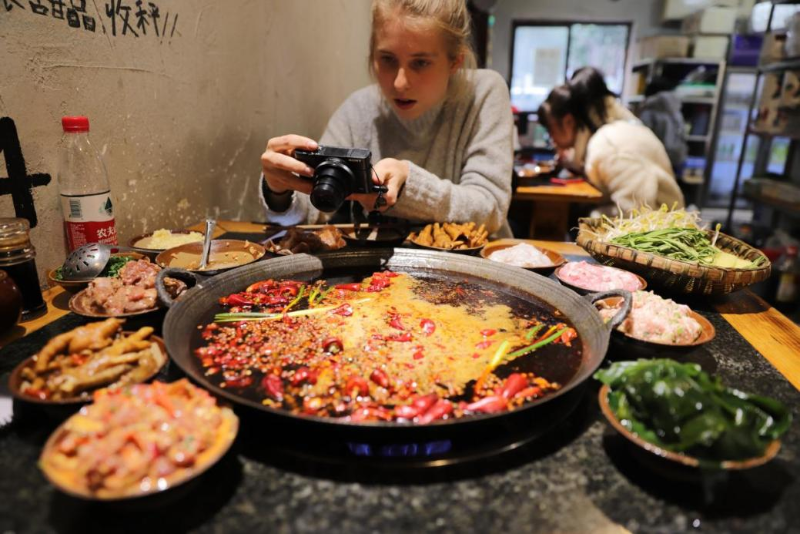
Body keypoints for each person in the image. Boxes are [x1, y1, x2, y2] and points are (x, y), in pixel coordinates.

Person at [259, 0, 515, 237]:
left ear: (455, 62)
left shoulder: (483, 93)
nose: (399, 83)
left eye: (420, 63)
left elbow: (490, 209)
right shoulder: (359, 109)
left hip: (474, 263)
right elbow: (311, 213)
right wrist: (280, 190)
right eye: (388, 59)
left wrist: (409, 185)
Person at [538, 68, 684, 215]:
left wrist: (587, 221)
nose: (552, 139)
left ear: (568, 122)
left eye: (551, 130)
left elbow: (633, 214)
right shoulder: (609, 136)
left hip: (660, 227)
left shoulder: (611, 144)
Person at [638, 77, 688, 178]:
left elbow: (643, 136)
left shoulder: (649, 110)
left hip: (656, 158)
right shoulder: (676, 110)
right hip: (677, 156)